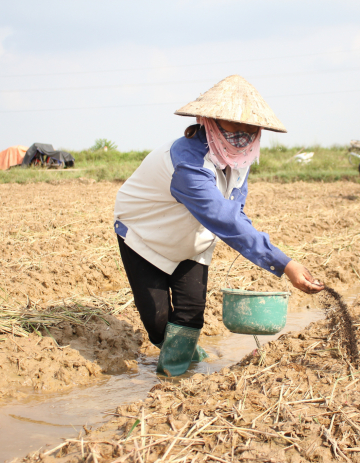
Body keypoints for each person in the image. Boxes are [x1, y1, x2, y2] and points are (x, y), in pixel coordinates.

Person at [113, 75, 324, 377]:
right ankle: (181, 358)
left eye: (251, 130)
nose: (243, 136)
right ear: (208, 121)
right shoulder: (188, 165)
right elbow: (222, 218)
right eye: (234, 128)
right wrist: (285, 264)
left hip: (192, 239)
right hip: (144, 236)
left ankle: (174, 378)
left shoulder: (239, 159)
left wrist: (270, 253)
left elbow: (234, 212)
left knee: (190, 314)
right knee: (158, 322)